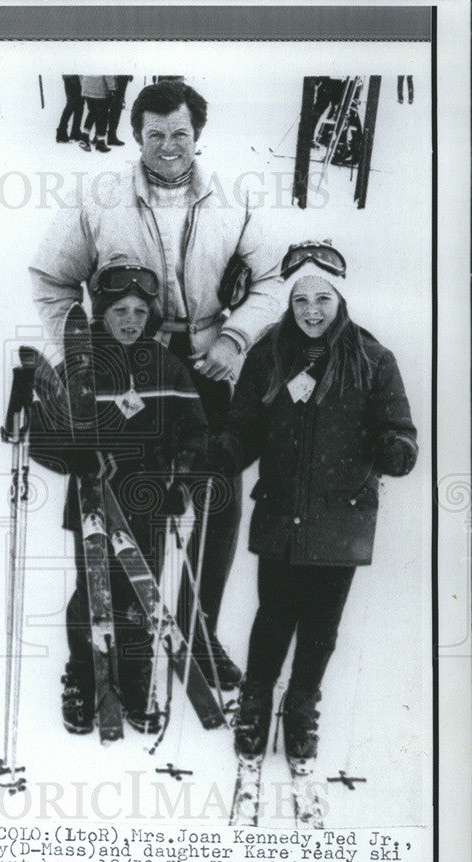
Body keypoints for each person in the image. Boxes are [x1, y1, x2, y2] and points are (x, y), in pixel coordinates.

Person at [30, 79, 283, 693]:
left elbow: (274, 277)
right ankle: (105, 650)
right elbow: (52, 280)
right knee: (124, 511)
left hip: (207, 366)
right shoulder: (101, 197)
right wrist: (85, 358)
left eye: (179, 134)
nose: (168, 147)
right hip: (132, 376)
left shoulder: (233, 199)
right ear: (135, 136)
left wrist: (234, 339)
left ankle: (197, 632)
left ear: (197, 135)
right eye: (154, 135)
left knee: (215, 505)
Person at [208, 242, 418, 767]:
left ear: (340, 297)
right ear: (289, 300)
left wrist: (396, 450)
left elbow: (401, 431)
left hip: (341, 516)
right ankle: (256, 704)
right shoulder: (266, 355)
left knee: (322, 625)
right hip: (280, 509)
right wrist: (224, 452)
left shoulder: (373, 360)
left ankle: (301, 708)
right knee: (274, 615)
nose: (311, 311)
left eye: (322, 298)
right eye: (301, 299)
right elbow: (244, 430)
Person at [28, 258, 208, 735]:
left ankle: (135, 678)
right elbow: (43, 439)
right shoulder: (79, 364)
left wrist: (181, 482)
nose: (130, 320)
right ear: (102, 312)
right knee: (93, 592)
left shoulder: (168, 365)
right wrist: (77, 458)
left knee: (140, 595)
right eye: (119, 310)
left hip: (147, 499)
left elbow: (195, 434)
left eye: (139, 311)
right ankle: (83, 678)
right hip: (91, 499)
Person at [78, 75, 116, 153]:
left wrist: (84, 84)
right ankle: (100, 142)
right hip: (99, 88)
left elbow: (80, 75)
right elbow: (108, 73)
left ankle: (84, 137)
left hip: (87, 86)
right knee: (103, 115)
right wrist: (112, 88)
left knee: (92, 112)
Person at [56, 74, 85, 144]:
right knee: (73, 103)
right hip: (73, 77)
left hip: (71, 77)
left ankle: (75, 131)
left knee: (78, 104)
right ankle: (62, 132)